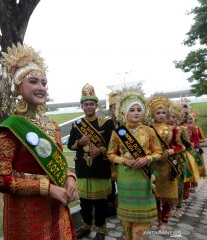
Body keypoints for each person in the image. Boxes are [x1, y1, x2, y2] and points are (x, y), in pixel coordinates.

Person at [0, 43, 77, 240]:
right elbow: (0, 179)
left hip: (58, 211)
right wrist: (47, 188)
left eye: (44, 83)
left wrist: (70, 177)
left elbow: (61, 163)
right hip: (28, 218)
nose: (41, 88)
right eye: (33, 81)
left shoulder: (52, 126)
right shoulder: (12, 128)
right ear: (18, 86)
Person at [107, 88, 162, 240]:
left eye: (139, 109)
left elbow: (158, 152)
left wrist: (147, 159)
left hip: (144, 178)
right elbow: (110, 154)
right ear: (125, 112)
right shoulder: (118, 132)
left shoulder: (149, 131)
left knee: (143, 219)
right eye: (132, 109)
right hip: (125, 178)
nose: (136, 112)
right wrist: (124, 160)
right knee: (127, 217)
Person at [67, 83, 115, 240]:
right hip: (83, 168)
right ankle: (86, 227)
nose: (89, 107)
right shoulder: (77, 124)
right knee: (85, 202)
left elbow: (113, 145)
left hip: (100, 168)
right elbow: (70, 145)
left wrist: (100, 150)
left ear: (96, 105)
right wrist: (79, 143)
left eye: (91, 104)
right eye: (86, 104)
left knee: (101, 202)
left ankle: (101, 230)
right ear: (82, 106)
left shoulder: (106, 122)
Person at [147, 95, 180, 231]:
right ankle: (156, 217)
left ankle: (165, 221)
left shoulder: (173, 129)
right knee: (154, 193)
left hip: (168, 165)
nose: (161, 115)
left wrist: (170, 151)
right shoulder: (147, 129)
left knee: (167, 195)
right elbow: (146, 147)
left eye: (163, 112)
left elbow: (180, 146)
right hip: (154, 165)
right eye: (158, 113)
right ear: (153, 114)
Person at [106, 91, 120, 217]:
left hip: (124, 159)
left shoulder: (126, 123)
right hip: (110, 159)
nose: (116, 110)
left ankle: (124, 207)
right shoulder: (107, 123)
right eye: (113, 107)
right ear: (110, 109)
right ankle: (111, 208)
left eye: (118, 107)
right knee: (110, 185)